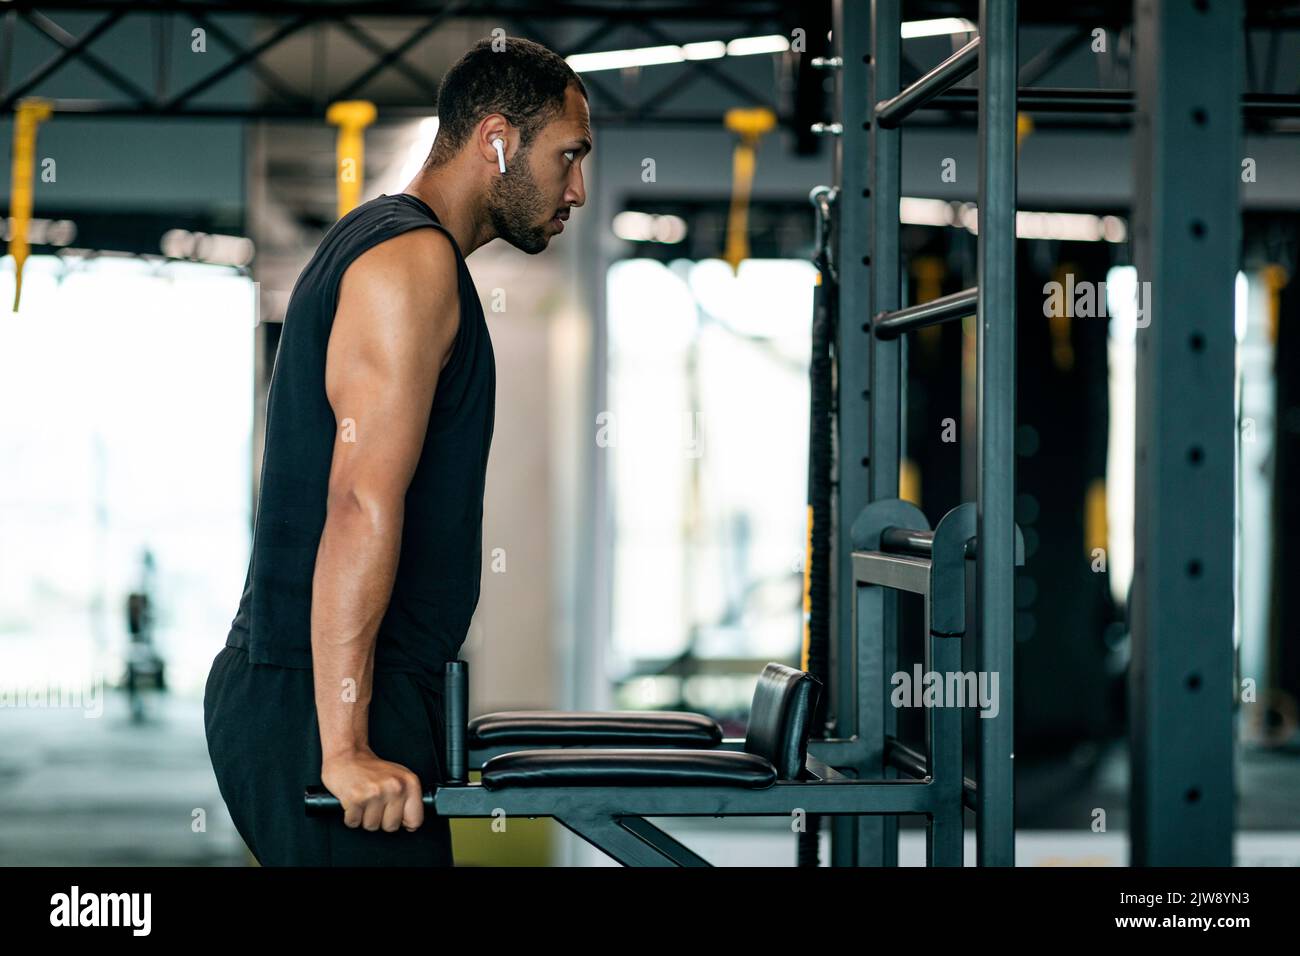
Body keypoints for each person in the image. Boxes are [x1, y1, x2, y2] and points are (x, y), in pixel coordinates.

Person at [203, 36, 591, 866]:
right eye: (569, 156)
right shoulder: (410, 262)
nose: (579, 189)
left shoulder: (403, 252)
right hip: (324, 704)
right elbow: (359, 502)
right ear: (496, 140)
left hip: (357, 692)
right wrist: (343, 746)